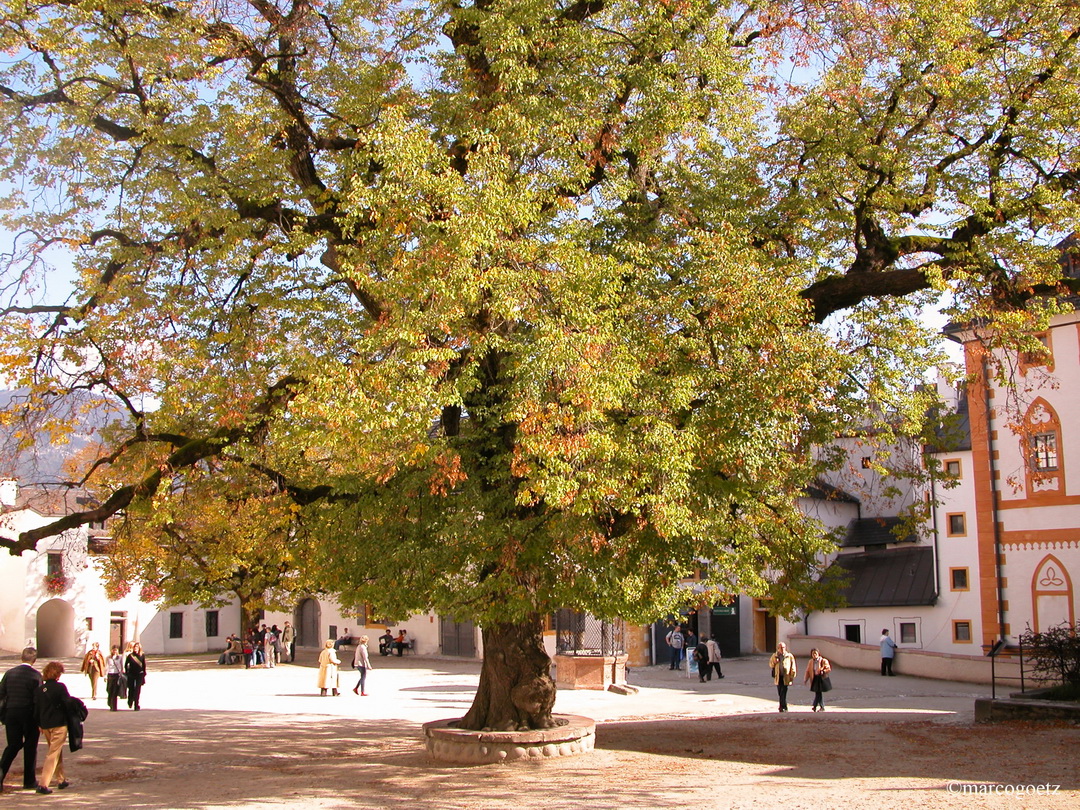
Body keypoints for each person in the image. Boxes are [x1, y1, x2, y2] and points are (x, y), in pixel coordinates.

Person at [0, 646, 42, 793]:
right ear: (34, 660)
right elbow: (38, 699)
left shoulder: (10, 673)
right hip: (29, 715)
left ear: (22, 658)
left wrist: (3, 714)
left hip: (12, 714)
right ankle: (29, 781)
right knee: (30, 747)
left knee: (13, 745)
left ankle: (0, 775)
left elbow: (1, 694)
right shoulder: (35, 676)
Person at [33, 661, 73, 794]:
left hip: (45, 725)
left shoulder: (39, 690)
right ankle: (43, 784)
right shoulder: (60, 687)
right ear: (57, 674)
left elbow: (36, 709)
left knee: (56, 751)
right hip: (59, 724)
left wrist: (39, 724)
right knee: (53, 753)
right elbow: (67, 704)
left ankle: (61, 779)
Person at [769, 642, 797, 712]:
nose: (782, 649)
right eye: (781, 648)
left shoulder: (789, 656)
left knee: (783, 691)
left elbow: (793, 666)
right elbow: (771, 664)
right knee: (780, 692)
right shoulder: (774, 656)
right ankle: (784, 706)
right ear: (778, 649)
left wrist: (792, 675)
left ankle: (781, 707)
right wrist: (775, 661)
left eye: (783, 647)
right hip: (778, 676)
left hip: (786, 676)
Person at [804, 647, 832, 712]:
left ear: (818, 654)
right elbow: (808, 671)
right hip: (814, 678)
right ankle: (816, 706)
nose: (814, 655)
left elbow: (828, 668)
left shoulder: (823, 661)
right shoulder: (811, 662)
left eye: (815, 653)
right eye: (813, 654)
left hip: (821, 678)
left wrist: (823, 671)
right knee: (818, 693)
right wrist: (806, 679)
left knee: (818, 693)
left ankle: (817, 706)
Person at [124, 642, 147, 710]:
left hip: (139, 674)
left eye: (137, 647)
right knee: (131, 689)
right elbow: (126, 665)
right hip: (131, 674)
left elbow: (144, 665)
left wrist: (144, 673)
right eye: (135, 647)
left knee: (137, 690)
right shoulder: (130, 656)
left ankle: (136, 704)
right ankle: (130, 700)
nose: (135, 648)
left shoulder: (142, 655)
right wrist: (127, 673)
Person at [105, 645, 124, 711]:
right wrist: (105, 676)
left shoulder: (120, 657)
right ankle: (110, 703)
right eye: (113, 650)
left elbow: (122, 666)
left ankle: (114, 707)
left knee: (115, 691)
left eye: (116, 650)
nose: (115, 651)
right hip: (110, 674)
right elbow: (106, 667)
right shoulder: (108, 657)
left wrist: (121, 673)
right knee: (109, 690)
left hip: (117, 675)